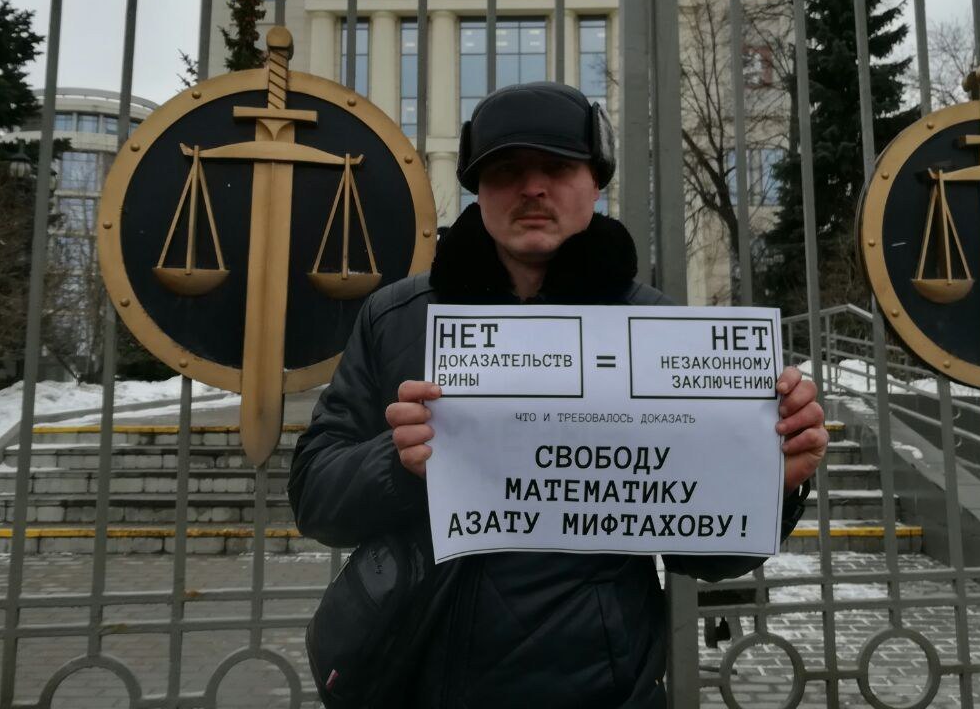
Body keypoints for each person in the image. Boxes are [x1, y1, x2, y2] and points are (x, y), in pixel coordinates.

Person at [290, 81, 826, 708]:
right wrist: (395, 461)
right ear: (476, 186)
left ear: (596, 182)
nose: (532, 188)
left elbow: (705, 556)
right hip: (415, 681)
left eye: (558, 166)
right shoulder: (396, 319)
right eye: (506, 170)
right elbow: (315, 497)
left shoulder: (660, 332)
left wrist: (771, 481)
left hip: (599, 691)